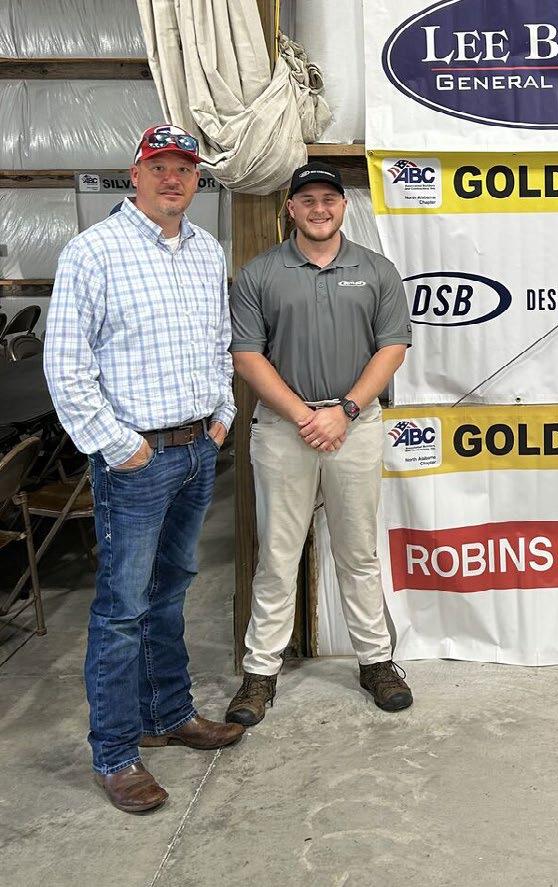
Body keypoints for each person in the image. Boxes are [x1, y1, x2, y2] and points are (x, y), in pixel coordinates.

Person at [44, 124, 244, 814]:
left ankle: (169, 713)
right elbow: (65, 365)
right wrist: (115, 443)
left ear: (196, 179)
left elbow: (218, 343)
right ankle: (116, 752)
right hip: (136, 459)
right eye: (159, 166)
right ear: (136, 174)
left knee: (171, 589)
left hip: (196, 450)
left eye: (184, 168)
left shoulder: (206, 250)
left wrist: (221, 415)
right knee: (122, 609)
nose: (172, 178)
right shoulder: (92, 251)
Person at [225, 161, 413, 725]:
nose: (319, 209)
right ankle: (260, 673)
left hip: (355, 426)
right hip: (284, 431)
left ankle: (376, 662)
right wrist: (307, 416)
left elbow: (392, 348)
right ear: (291, 209)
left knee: (358, 553)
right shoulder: (260, 273)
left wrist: (345, 411)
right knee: (278, 557)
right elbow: (247, 356)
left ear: (343, 206)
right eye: (307, 200)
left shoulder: (377, 270)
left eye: (328, 199)